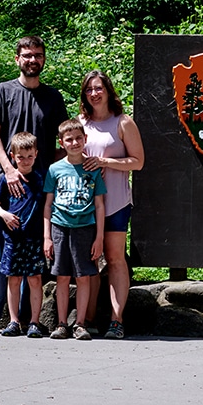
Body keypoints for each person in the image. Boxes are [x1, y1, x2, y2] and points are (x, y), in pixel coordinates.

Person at [0, 36, 69, 335]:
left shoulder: (53, 98)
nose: (33, 60)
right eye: (27, 55)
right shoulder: (1, 92)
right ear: (17, 59)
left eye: (38, 55)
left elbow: (63, 142)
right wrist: (9, 169)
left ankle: (31, 320)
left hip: (39, 186)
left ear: (44, 60)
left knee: (34, 252)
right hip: (1, 180)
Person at [80, 70, 144, 340]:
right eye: (89, 89)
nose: (94, 93)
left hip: (116, 201)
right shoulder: (80, 123)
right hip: (84, 204)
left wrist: (106, 163)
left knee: (116, 259)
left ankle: (117, 320)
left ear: (108, 90)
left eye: (99, 88)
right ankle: (89, 319)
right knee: (89, 260)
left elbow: (138, 161)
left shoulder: (123, 122)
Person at [43, 118, 107, 341]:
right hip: (60, 227)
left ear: (85, 139)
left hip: (85, 228)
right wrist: (47, 237)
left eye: (79, 138)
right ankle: (61, 323)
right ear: (62, 143)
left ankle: (80, 323)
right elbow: (48, 204)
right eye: (69, 139)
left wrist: (99, 237)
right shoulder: (54, 169)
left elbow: (99, 205)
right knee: (62, 276)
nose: (75, 143)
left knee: (83, 277)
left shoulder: (93, 169)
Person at [0, 132, 47, 338]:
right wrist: (5, 215)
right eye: (21, 157)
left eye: (29, 156)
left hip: (34, 239)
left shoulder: (40, 179)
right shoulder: (7, 180)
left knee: (35, 279)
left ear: (36, 154)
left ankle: (34, 321)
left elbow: (47, 207)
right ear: (12, 156)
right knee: (13, 279)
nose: (25, 160)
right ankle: (13, 321)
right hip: (13, 239)